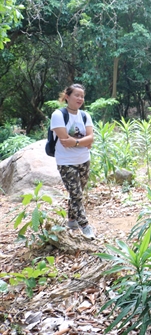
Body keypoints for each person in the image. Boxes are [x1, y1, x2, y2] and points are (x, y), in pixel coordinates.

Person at [50, 84, 96, 238]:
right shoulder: (58, 115)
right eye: (76, 95)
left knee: (77, 191)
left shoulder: (84, 115)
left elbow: (91, 138)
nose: (80, 99)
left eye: (82, 96)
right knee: (76, 194)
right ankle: (85, 225)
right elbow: (64, 140)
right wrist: (83, 142)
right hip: (65, 161)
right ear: (67, 96)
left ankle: (71, 220)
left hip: (84, 160)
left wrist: (75, 142)